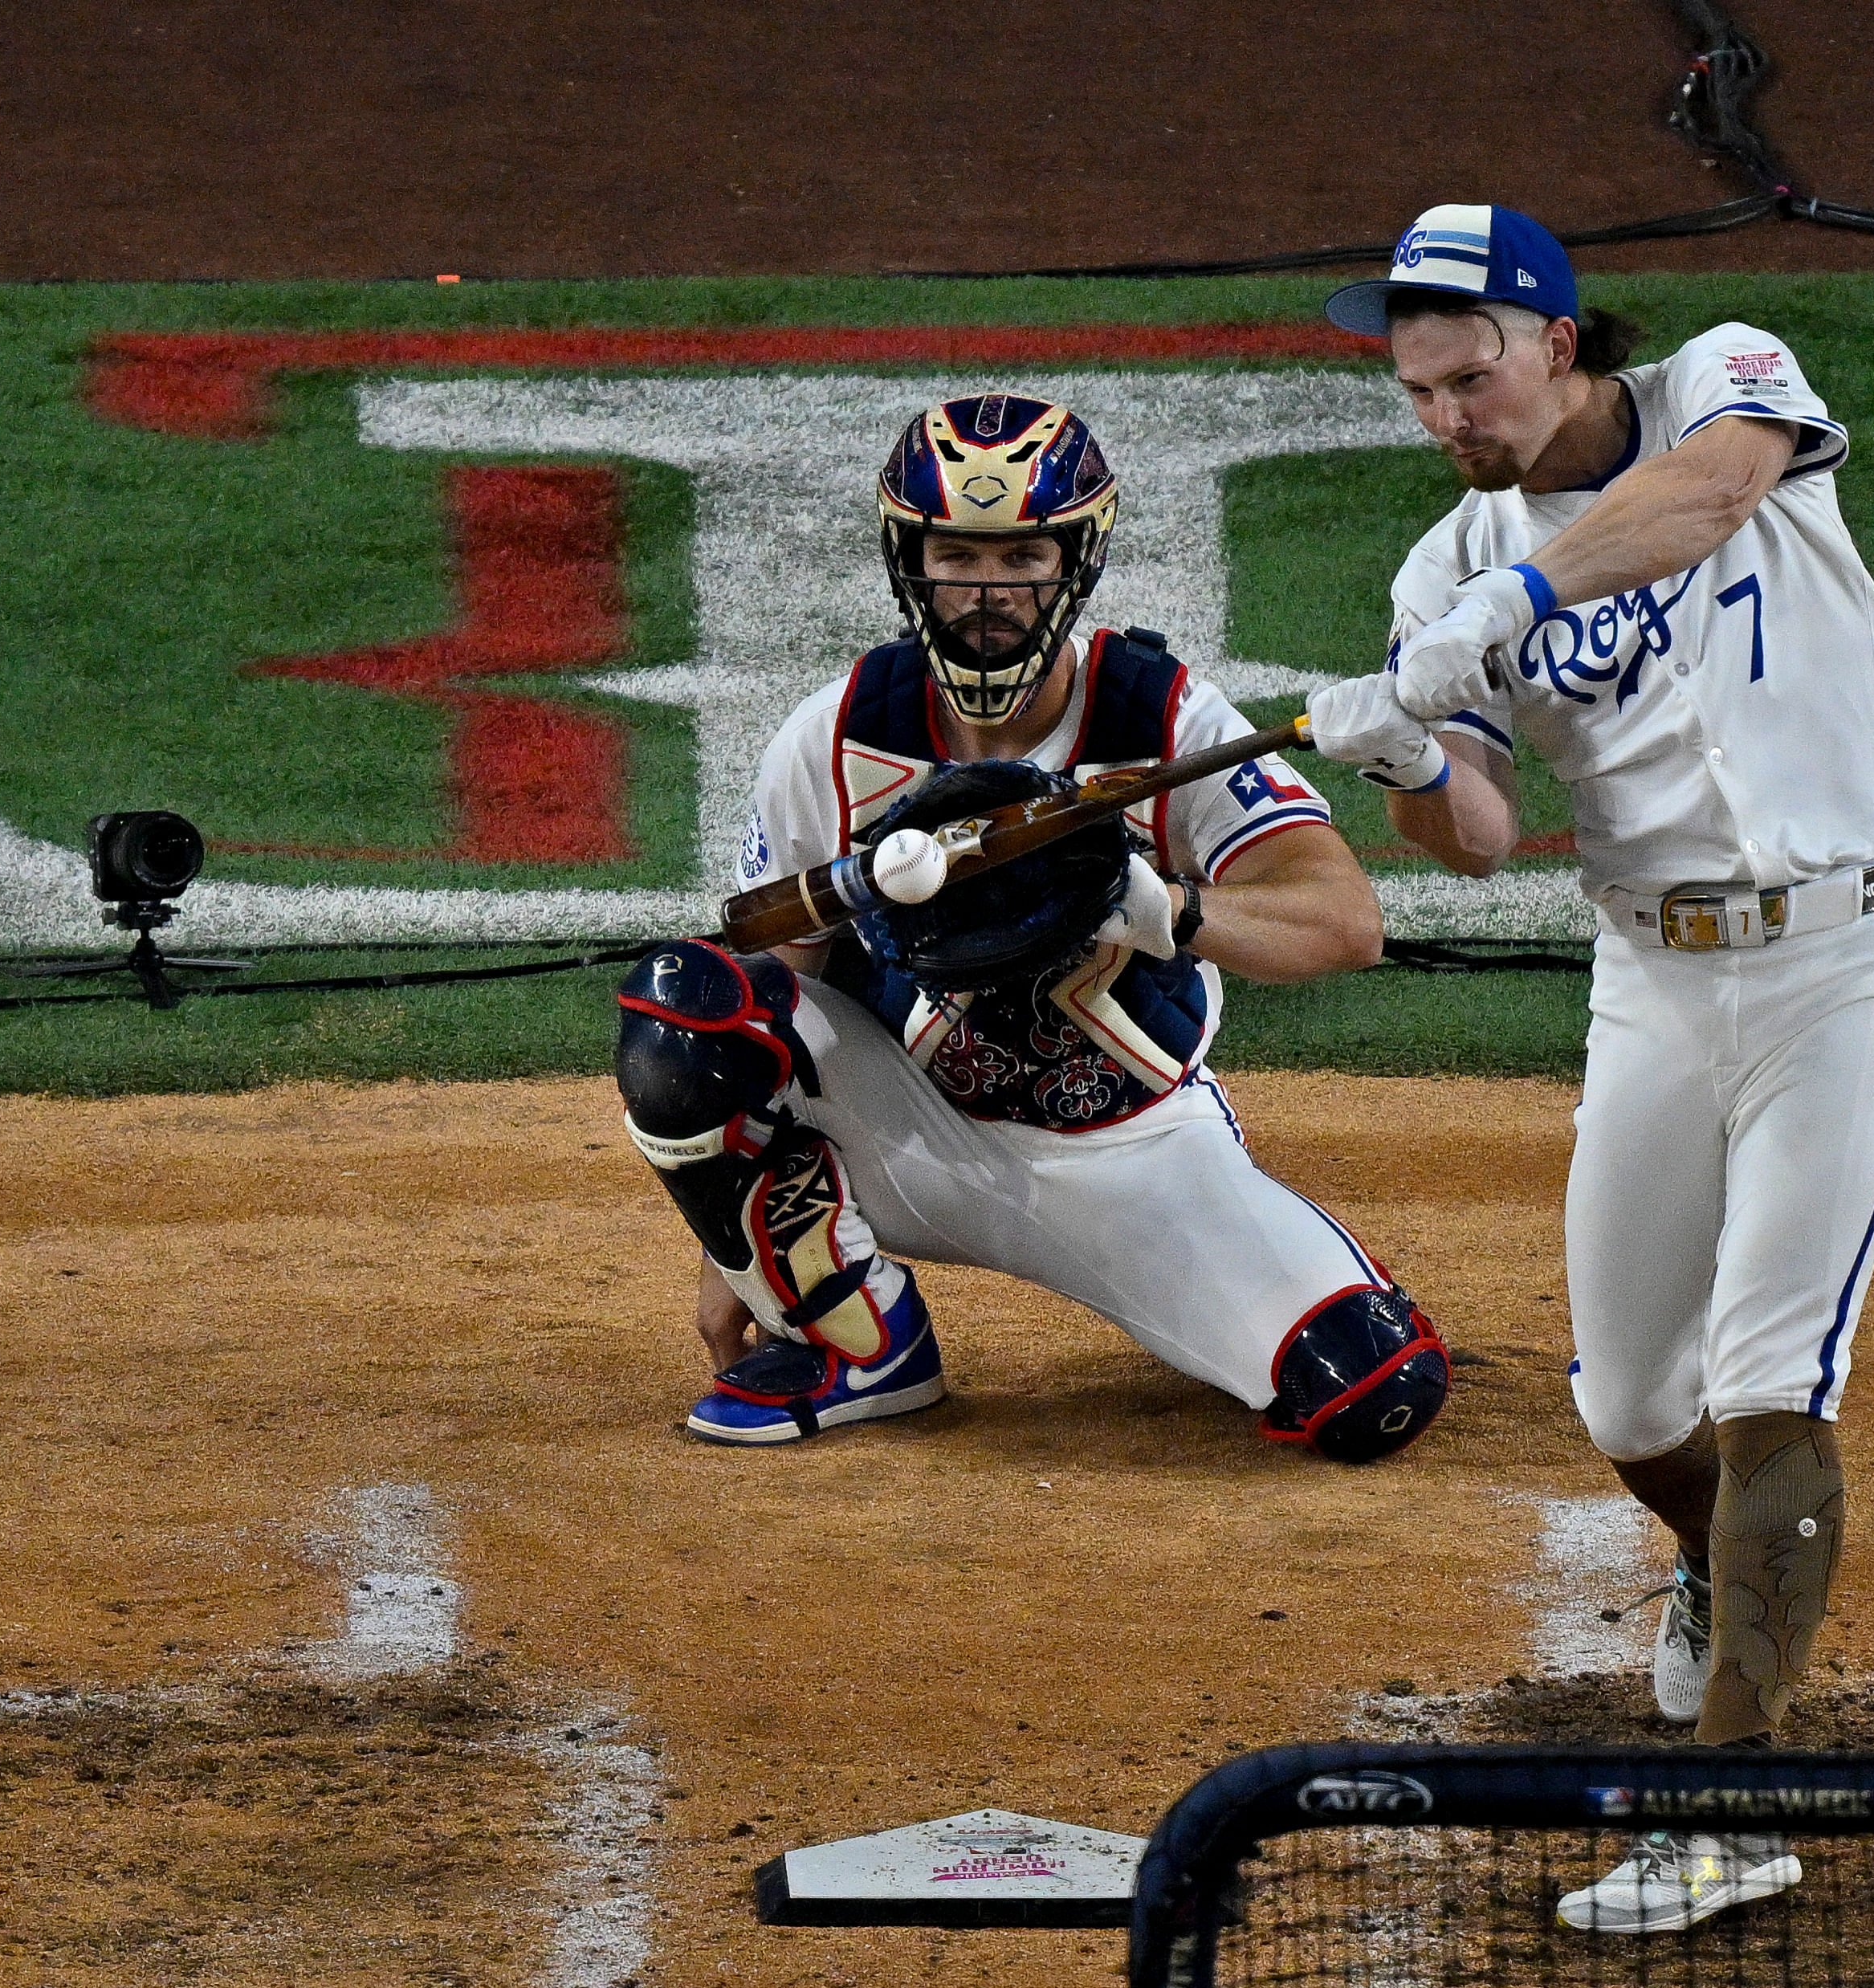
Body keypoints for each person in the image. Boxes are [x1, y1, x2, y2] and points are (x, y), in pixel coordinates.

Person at [1306, 206, 1874, 1930]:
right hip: (1650, 979)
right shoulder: (1440, 572)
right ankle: (1713, 1570)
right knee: (1629, 1406)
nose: (1448, 417)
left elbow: (1713, 493)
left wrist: (1504, 603)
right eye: (1417, 390)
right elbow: (1485, 837)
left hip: (1839, 961)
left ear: (1560, 339)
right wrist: (1410, 750)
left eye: (1471, 374)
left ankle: (1733, 1806)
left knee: (1764, 1375)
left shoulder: (1721, 380)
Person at [612, 392, 1450, 1461]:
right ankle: (864, 1345)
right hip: (911, 1127)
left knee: (1372, 1389)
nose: (988, 592)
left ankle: (1219, 1297)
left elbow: (1345, 924)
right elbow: (769, 983)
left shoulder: (1162, 719)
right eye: (958, 555)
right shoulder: (834, 736)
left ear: (1076, 561)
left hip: (1133, 1150)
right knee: (685, 1010)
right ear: (908, 558)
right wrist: (736, 1255)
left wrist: (1161, 910)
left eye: (1022, 559)